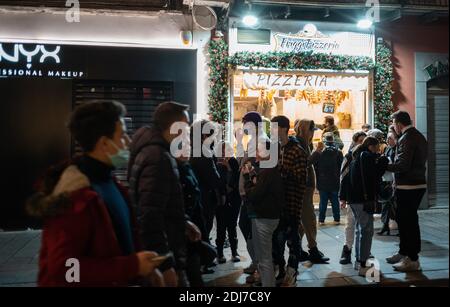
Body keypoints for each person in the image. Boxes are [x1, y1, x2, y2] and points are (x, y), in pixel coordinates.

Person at [26, 100, 162, 286]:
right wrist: (132, 266)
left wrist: (141, 271)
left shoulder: (110, 183)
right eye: (122, 136)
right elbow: (64, 270)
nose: (129, 142)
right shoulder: (75, 196)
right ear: (104, 143)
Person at [128, 101, 201, 287]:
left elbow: (159, 203)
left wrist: (183, 221)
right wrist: (166, 263)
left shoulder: (155, 151)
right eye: (185, 127)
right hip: (165, 255)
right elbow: (150, 215)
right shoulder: (158, 158)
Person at [385, 111, 427, 272]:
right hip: (415, 184)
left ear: (398, 123)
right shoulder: (417, 135)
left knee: (408, 223)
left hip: (409, 186)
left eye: (394, 123)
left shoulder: (407, 138)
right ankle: (404, 253)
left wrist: (383, 165)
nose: (394, 127)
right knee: (406, 221)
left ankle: (412, 259)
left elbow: (403, 165)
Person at [271, 115, 307, 287]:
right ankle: (282, 270)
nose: (272, 131)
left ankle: (292, 272)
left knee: (293, 241)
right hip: (277, 204)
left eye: (274, 127)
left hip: (292, 203)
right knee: (276, 240)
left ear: (284, 128)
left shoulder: (297, 151)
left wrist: (281, 171)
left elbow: (302, 179)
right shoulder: (276, 149)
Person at [243, 142, 285, 287]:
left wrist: (248, 179)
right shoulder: (268, 170)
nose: (255, 154)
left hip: (265, 217)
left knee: (264, 258)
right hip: (267, 216)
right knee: (263, 257)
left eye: (258, 151)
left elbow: (254, 195)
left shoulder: (268, 171)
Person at [347, 136, 388, 276]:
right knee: (367, 231)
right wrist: (383, 160)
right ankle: (363, 264)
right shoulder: (366, 156)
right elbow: (374, 175)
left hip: (354, 199)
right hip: (362, 200)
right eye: (377, 147)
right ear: (371, 146)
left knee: (360, 230)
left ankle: (359, 262)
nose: (378, 150)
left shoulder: (357, 155)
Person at [236, 111, 268, 280]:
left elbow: (258, 170)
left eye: (245, 123)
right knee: (247, 227)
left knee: (251, 229)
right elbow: (245, 165)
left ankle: (259, 266)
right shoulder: (254, 141)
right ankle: (257, 262)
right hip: (248, 194)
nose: (243, 127)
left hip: (253, 195)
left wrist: (249, 188)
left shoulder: (261, 141)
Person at [294, 119, 330, 264]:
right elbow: (304, 163)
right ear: (304, 130)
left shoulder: (303, 142)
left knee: (302, 224)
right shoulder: (298, 144)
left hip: (306, 188)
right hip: (302, 188)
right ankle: (313, 250)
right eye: (311, 131)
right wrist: (317, 153)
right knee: (309, 220)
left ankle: (297, 250)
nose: (311, 134)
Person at [190, 120, 223, 246]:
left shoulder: (190, 150)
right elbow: (215, 180)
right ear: (204, 136)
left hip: (195, 200)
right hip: (204, 200)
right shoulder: (204, 154)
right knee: (203, 234)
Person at [338, 131, 367, 264]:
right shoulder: (349, 156)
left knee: (365, 226)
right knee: (350, 223)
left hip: (366, 197)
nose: (362, 143)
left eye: (364, 141)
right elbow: (343, 178)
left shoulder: (368, 157)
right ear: (354, 141)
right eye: (360, 140)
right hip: (352, 196)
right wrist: (342, 197)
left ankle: (364, 251)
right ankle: (347, 250)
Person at [216, 142, 241, 264]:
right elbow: (217, 182)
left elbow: (235, 181)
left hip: (233, 200)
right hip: (221, 200)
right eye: (221, 150)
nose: (223, 153)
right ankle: (220, 254)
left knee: (232, 226)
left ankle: (234, 252)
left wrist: (229, 167)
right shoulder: (216, 163)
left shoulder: (234, 162)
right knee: (221, 227)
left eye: (225, 150)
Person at [313, 132, 343, 225]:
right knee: (335, 201)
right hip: (334, 180)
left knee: (323, 202)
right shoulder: (338, 152)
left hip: (322, 180)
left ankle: (321, 220)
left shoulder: (319, 152)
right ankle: (337, 219)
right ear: (333, 140)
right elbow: (340, 166)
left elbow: (315, 166)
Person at [377, 127, 398, 236]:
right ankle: (385, 225)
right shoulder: (388, 149)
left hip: (393, 181)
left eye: (390, 138)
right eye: (388, 138)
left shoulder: (396, 150)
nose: (388, 140)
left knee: (393, 206)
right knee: (386, 205)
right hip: (387, 180)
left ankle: (397, 226)